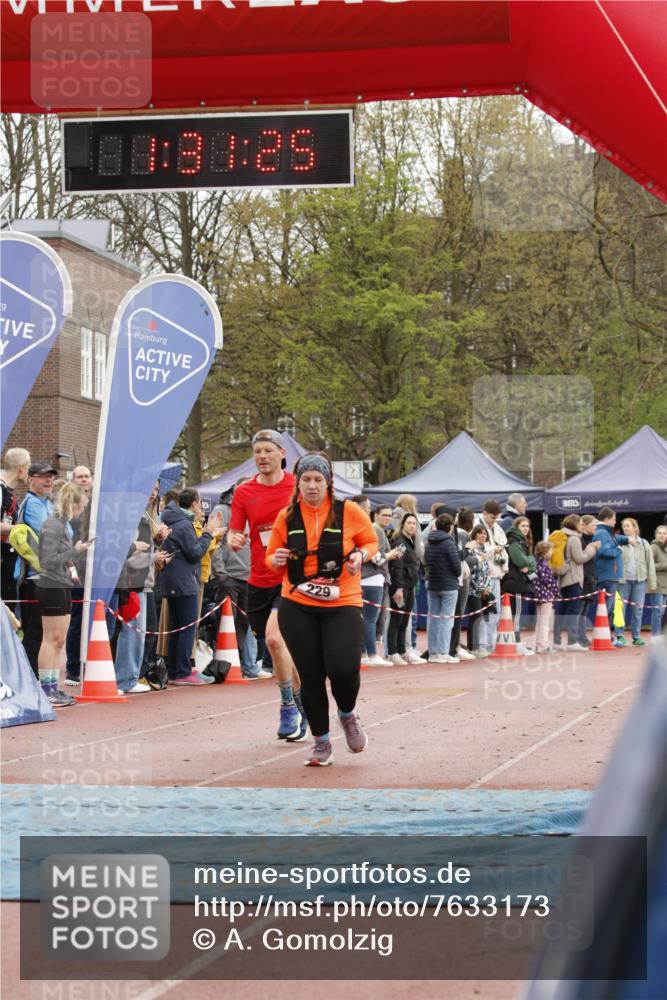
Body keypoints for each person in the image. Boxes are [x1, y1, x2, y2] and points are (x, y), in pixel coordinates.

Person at [266, 452, 378, 766]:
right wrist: (274, 559)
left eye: (318, 480)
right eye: (306, 480)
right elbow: (271, 555)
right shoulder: (286, 517)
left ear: (328, 483)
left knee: (343, 669)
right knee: (311, 676)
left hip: (341, 601)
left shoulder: (349, 512)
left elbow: (371, 541)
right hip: (298, 603)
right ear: (297, 483)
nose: (312, 486)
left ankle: (347, 713)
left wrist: (360, 556)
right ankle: (321, 742)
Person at [228, 430, 305, 740]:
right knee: (281, 649)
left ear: (281, 454)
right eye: (257, 451)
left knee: (275, 640)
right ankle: (306, 705)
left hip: (293, 579)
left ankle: (288, 707)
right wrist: (234, 539)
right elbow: (236, 534)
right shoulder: (244, 492)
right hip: (259, 580)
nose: (262, 456)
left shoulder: (297, 487)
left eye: (267, 451)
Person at [35, 483, 92, 706]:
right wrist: (75, 550)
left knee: (59, 641)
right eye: (81, 508)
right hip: (51, 585)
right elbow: (47, 561)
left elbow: (60, 558)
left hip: (62, 583)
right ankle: (45, 688)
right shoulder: (53, 525)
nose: (81, 512)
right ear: (74, 505)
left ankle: (52, 687)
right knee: (50, 640)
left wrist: (74, 554)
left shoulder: (62, 525)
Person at [160, 489, 224, 685]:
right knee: (188, 627)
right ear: (194, 504)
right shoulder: (184, 525)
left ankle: (174, 670)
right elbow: (195, 552)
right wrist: (208, 534)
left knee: (177, 627)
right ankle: (182, 672)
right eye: (199, 504)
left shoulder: (172, 521)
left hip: (173, 580)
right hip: (184, 582)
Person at [211, 478, 271, 680]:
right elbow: (214, 541)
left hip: (250, 576)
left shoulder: (257, 510)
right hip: (229, 576)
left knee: (245, 624)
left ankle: (241, 666)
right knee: (227, 623)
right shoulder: (222, 510)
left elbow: (264, 542)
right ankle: (223, 668)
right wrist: (221, 573)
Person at [14, 461, 56, 675]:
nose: (48, 479)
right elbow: (48, 532)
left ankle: (39, 679)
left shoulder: (49, 504)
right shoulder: (31, 504)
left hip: (49, 575)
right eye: (43, 476)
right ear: (30, 479)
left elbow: (66, 531)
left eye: (50, 476)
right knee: (34, 633)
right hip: (33, 577)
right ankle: (30, 679)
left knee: (48, 634)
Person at [359, 506, 402, 666]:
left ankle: (365, 653)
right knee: (370, 619)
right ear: (374, 515)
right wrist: (389, 555)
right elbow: (375, 557)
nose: (388, 518)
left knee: (367, 619)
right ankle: (371, 654)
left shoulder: (373, 529)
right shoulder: (374, 530)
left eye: (390, 515)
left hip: (368, 578)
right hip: (372, 579)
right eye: (384, 515)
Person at [552, 514, 600, 651]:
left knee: (562, 611)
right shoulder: (574, 539)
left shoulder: (563, 536)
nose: (581, 525)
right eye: (579, 523)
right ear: (574, 525)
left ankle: (557, 641)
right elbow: (580, 559)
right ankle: (572, 642)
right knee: (573, 611)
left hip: (564, 579)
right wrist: (592, 549)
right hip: (574, 578)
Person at [65, 465, 93, 685]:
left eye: (87, 476)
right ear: (73, 480)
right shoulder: (68, 508)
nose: (84, 480)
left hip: (95, 569)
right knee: (77, 620)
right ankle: (73, 669)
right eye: (80, 477)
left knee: (92, 618)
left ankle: (88, 664)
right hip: (76, 569)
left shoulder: (94, 505)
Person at [387, 512, 424, 665]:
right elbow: (397, 566)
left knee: (404, 621)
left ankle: (402, 651)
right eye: (409, 523)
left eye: (414, 524)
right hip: (400, 587)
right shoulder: (400, 542)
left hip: (410, 586)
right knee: (396, 620)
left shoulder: (411, 541)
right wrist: (399, 588)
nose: (412, 526)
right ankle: (392, 652)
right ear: (402, 525)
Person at [424, 512, 462, 663]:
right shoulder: (449, 543)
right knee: (446, 620)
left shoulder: (429, 542)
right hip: (448, 586)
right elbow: (457, 568)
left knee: (433, 619)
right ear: (450, 527)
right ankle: (443, 652)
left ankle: (433, 653)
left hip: (433, 584)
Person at [614, 517, 656, 647]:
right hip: (623, 581)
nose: (625, 528)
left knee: (638, 610)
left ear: (634, 527)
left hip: (640, 580)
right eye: (624, 526)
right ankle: (620, 635)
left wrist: (652, 582)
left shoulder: (644, 543)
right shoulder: (619, 542)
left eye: (628, 526)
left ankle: (636, 636)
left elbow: (650, 564)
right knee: (620, 609)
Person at [474, 500, 508, 655]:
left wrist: (504, 568)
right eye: (492, 517)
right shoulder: (477, 527)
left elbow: (504, 549)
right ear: (485, 513)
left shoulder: (498, 529)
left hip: (497, 575)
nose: (494, 520)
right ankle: (482, 645)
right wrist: (492, 551)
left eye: (496, 518)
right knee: (484, 612)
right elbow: (475, 550)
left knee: (495, 611)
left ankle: (491, 644)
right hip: (483, 576)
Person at [593, 506, 631, 644]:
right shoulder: (603, 533)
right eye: (614, 519)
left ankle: (607, 636)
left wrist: (626, 540)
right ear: (607, 519)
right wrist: (618, 550)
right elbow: (604, 551)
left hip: (610, 575)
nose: (616, 521)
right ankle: (606, 637)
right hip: (608, 576)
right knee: (606, 608)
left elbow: (614, 539)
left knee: (607, 608)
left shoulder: (606, 532)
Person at [0, 447, 31, 608]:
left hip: (8, 562)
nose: (29, 472)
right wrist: (22, 529)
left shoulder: (8, 491)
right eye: (28, 467)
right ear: (21, 467)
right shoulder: (1, 488)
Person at [502, 516, 536, 654]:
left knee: (514, 615)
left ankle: (513, 642)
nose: (526, 529)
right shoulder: (514, 542)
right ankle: (516, 643)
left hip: (517, 582)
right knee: (515, 615)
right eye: (523, 526)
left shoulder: (522, 542)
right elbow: (521, 562)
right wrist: (529, 562)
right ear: (517, 527)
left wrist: (530, 563)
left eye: (527, 526)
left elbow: (531, 562)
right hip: (515, 583)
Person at [449, 507, 475, 661]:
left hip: (460, 576)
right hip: (462, 578)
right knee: (458, 612)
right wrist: (479, 559)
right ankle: (456, 646)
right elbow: (464, 557)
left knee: (457, 613)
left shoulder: (459, 534)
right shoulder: (464, 535)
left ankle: (456, 644)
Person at [465, 523, 493, 657]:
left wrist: (487, 588)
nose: (483, 535)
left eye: (485, 533)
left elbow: (486, 571)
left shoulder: (484, 550)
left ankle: (476, 647)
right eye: (480, 533)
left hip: (483, 590)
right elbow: (473, 571)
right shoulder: (471, 549)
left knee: (481, 619)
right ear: (474, 534)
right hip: (472, 590)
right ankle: (473, 648)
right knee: (476, 618)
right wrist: (480, 588)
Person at [532, 541, 561, 654]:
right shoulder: (544, 565)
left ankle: (539, 643)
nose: (552, 552)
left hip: (539, 594)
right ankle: (543, 645)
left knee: (540, 621)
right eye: (550, 550)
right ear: (545, 552)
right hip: (546, 595)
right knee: (545, 622)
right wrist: (556, 592)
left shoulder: (535, 563)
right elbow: (549, 581)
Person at [649, 525, 667, 642]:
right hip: (657, 584)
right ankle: (655, 636)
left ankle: (661, 635)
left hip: (666, 584)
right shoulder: (653, 547)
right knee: (657, 612)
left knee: (663, 613)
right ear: (656, 535)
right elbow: (650, 566)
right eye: (659, 533)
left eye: (664, 533)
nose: (662, 535)